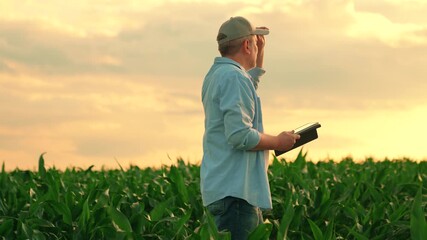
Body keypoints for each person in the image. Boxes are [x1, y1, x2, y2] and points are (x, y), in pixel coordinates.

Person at [200, 16, 301, 239]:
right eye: (254, 43)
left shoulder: (218, 75)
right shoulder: (234, 78)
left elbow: (247, 94)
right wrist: (278, 141)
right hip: (237, 196)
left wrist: (260, 53)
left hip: (225, 192)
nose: (256, 47)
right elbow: (240, 136)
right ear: (247, 45)